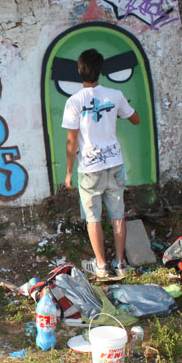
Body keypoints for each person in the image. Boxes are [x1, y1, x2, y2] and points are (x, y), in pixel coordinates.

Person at [61, 48, 140, 279]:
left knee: (93, 218)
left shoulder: (74, 101)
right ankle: (120, 263)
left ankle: (102, 266)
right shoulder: (115, 95)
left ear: (79, 71)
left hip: (89, 169)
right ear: (101, 70)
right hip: (115, 164)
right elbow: (135, 119)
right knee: (118, 215)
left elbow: (71, 140)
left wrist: (68, 173)